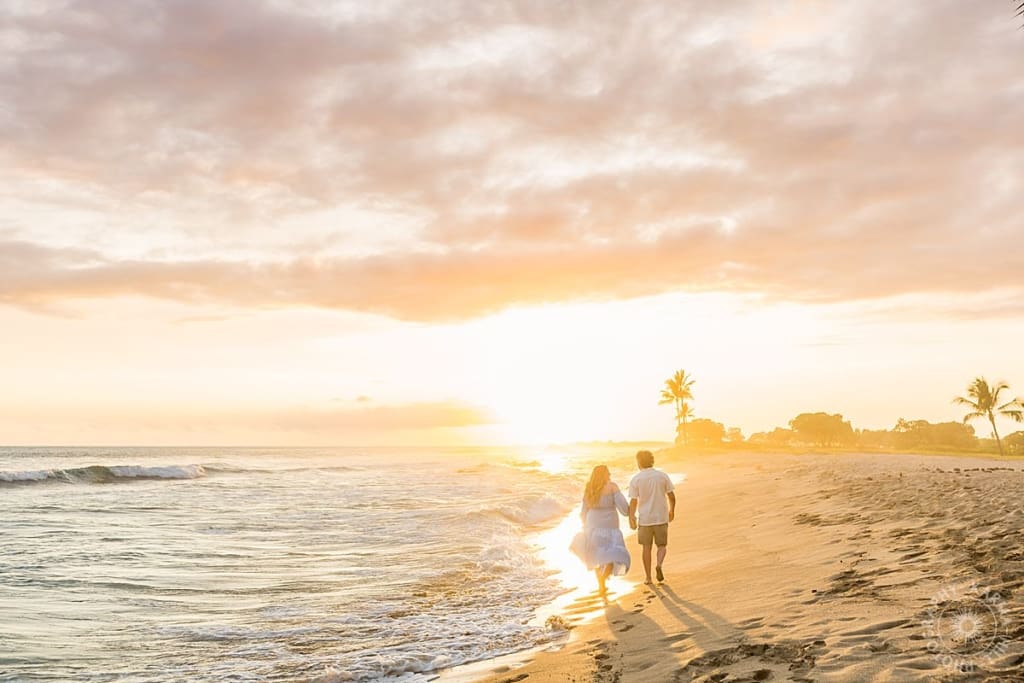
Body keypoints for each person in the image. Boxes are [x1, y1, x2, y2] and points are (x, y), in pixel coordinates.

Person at [576, 465, 631, 594]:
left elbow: (584, 510)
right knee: (612, 554)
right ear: (606, 475)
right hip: (609, 525)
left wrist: (585, 525)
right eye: (608, 473)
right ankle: (603, 577)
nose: (610, 475)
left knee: (597, 555)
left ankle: (601, 584)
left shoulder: (589, 488)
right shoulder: (612, 486)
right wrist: (630, 511)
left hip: (592, 525)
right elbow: (623, 508)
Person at [628, 450, 675, 585]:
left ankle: (648, 578)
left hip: (645, 519)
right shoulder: (662, 476)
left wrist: (632, 517)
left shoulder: (636, 479)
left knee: (646, 547)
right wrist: (672, 511)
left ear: (639, 462)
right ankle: (659, 564)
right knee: (661, 545)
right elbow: (671, 496)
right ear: (652, 461)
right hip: (661, 517)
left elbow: (633, 501)